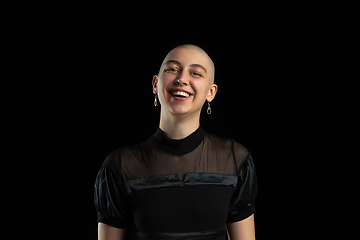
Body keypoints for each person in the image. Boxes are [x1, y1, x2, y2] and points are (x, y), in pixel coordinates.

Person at [94, 44, 258, 240]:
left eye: (196, 73)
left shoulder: (235, 159)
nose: (181, 79)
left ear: (211, 93)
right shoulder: (119, 166)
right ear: (155, 83)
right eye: (172, 69)